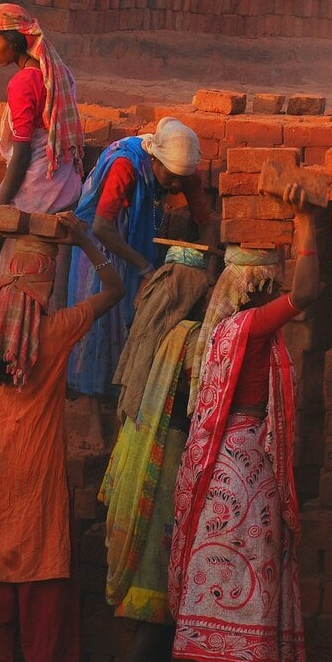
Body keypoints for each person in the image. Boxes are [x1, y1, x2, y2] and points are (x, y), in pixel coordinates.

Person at [0, 212, 124, 662]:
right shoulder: (53, 332)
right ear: (46, 288)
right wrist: (86, 243)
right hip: (38, 471)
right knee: (41, 572)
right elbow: (114, 291)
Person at [168, 185, 317, 662]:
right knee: (252, 560)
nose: (278, 289)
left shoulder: (220, 331)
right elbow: (307, 293)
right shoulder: (252, 326)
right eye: (272, 281)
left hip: (221, 468)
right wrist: (306, 224)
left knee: (220, 569)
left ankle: (209, 655)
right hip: (248, 465)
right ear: (256, 285)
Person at [67, 116, 219, 451]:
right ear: (154, 161)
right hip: (101, 245)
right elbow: (103, 227)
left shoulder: (182, 170)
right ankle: (96, 422)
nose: (176, 187)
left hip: (140, 245)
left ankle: (128, 415)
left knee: (136, 326)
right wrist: (144, 267)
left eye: (182, 180)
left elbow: (206, 222)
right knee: (101, 327)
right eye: (171, 179)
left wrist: (209, 272)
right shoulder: (126, 166)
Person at [101, 244, 211, 662]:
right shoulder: (190, 340)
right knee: (160, 581)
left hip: (140, 459)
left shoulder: (151, 332)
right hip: (166, 469)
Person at [0, 3, 85, 309]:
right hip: (65, 186)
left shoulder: (24, 82)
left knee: (18, 288)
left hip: (36, 192)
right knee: (56, 294)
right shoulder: (56, 72)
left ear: (13, 40)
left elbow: (22, 153)